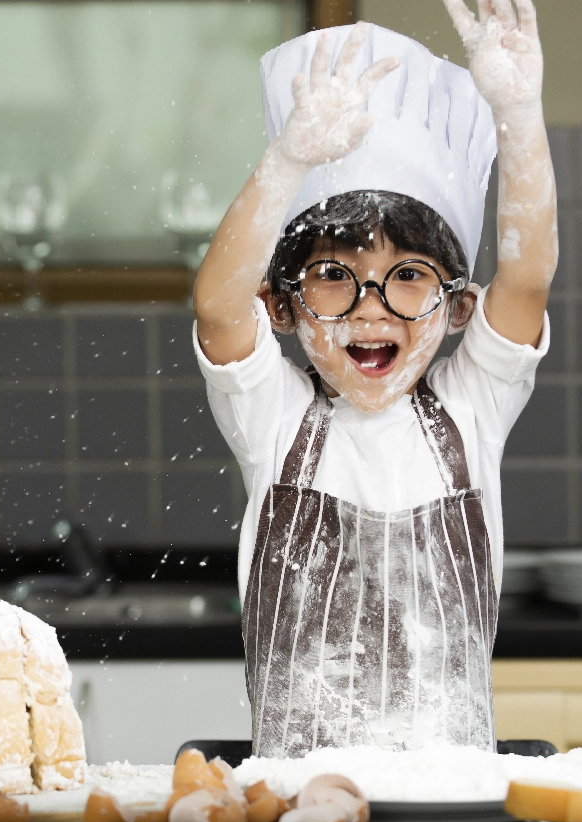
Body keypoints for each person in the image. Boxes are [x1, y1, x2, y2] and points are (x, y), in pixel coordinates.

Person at [192, 0, 556, 757]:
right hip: (297, 802)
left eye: (408, 277)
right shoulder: (275, 421)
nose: (370, 310)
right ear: (281, 307)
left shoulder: (474, 409)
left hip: (455, 805)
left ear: (459, 308)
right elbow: (215, 303)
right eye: (332, 276)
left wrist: (518, 114)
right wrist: (288, 158)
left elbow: (526, 274)